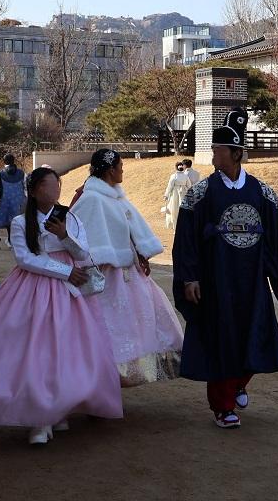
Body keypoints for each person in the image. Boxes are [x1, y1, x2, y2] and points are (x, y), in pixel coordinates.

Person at [0, 167, 122, 445]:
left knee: (66, 350)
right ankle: (39, 417)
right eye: (52, 186)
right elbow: (25, 259)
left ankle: (58, 409)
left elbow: (84, 252)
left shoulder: (70, 217)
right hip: (33, 288)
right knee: (35, 350)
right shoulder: (19, 222)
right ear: (37, 189)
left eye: (58, 186)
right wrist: (64, 272)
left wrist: (64, 236)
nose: (57, 191)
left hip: (69, 291)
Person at [173, 109, 278, 429]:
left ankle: (239, 382)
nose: (214, 154)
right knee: (221, 341)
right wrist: (189, 277)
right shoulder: (200, 194)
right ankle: (223, 406)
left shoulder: (263, 193)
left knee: (256, 335)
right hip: (216, 283)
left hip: (253, 281)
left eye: (218, 150)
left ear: (235, 153)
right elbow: (185, 239)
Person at [71, 149, 183, 385]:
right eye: (120, 165)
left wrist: (140, 251)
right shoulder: (91, 198)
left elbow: (129, 228)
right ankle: (102, 378)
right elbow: (81, 236)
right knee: (110, 327)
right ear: (111, 169)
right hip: (106, 277)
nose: (123, 169)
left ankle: (117, 376)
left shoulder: (114, 196)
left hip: (127, 273)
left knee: (135, 324)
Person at [0, 153, 26, 235]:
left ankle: (10, 239)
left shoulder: (0, 173)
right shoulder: (21, 173)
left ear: (4, 161)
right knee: (20, 223)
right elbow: (27, 187)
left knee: (8, 223)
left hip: (5, 202)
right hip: (20, 202)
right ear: (13, 161)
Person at [163, 162, 192, 230]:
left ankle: (175, 227)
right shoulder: (185, 176)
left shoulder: (173, 176)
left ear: (176, 168)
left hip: (175, 194)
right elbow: (189, 186)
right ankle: (184, 227)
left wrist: (166, 195)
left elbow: (169, 186)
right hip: (183, 194)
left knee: (174, 211)